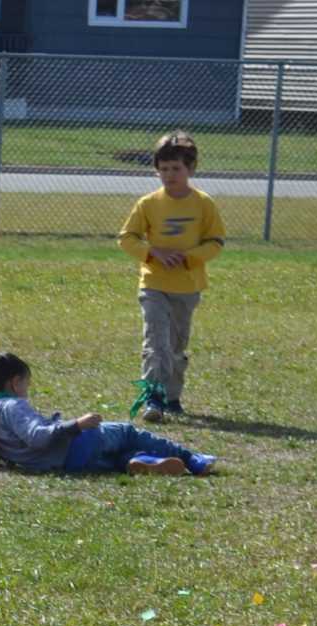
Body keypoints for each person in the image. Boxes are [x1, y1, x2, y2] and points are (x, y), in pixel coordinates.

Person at [116, 132, 225, 423]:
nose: (169, 175)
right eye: (164, 169)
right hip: (154, 285)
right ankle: (153, 396)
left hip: (187, 288)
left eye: (176, 168)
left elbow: (216, 242)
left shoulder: (203, 204)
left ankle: (173, 398)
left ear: (191, 168)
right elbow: (127, 238)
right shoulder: (148, 204)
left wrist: (189, 258)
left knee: (176, 348)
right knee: (156, 342)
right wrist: (154, 253)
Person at [0, 351, 216, 476]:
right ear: (15, 383)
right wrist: (76, 425)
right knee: (127, 433)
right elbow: (38, 436)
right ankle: (192, 459)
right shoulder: (13, 406)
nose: (26, 390)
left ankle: (143, 463)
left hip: (71, 464)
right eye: (26, 384)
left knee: (117, 458)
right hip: (78, 444)